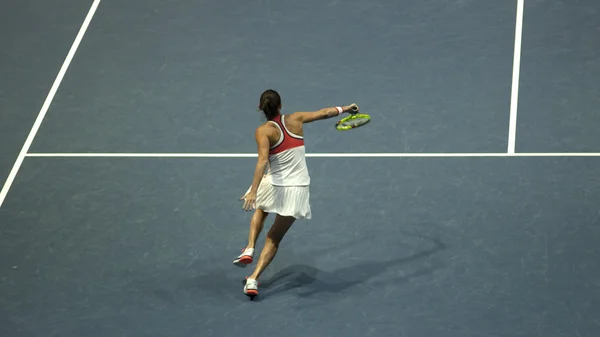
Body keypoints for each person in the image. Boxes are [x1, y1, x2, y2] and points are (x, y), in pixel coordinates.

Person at [233, 89, 358, 297]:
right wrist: (346, 108)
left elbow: (263, 160)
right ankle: (253, 279)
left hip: (273, 183)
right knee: (274, 237)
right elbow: (325, 112)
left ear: (260, 108)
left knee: (261, 209)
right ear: (280, 106)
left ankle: (249, 248)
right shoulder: (296, 119)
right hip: (296, 190)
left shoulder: (263, 131)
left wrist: (253, 191)